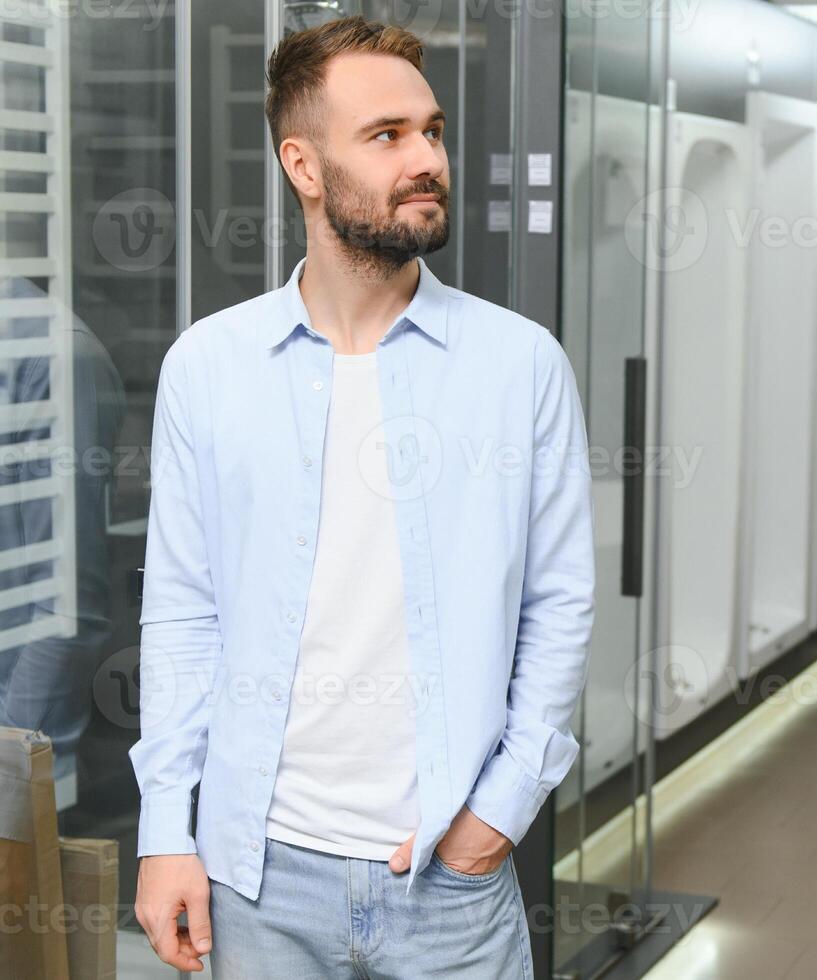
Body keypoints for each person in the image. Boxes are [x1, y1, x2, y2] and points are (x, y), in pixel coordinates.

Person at [129, 16, 594, 978]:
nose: (426, 158)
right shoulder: (209, 369)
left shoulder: (519, 367)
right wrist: (166, 830)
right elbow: (183, 613)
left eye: (430, 131)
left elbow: (559, 605)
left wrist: (498, 816)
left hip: (450, 885)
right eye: (386, 136)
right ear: (303, 165)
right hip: (254, 882)